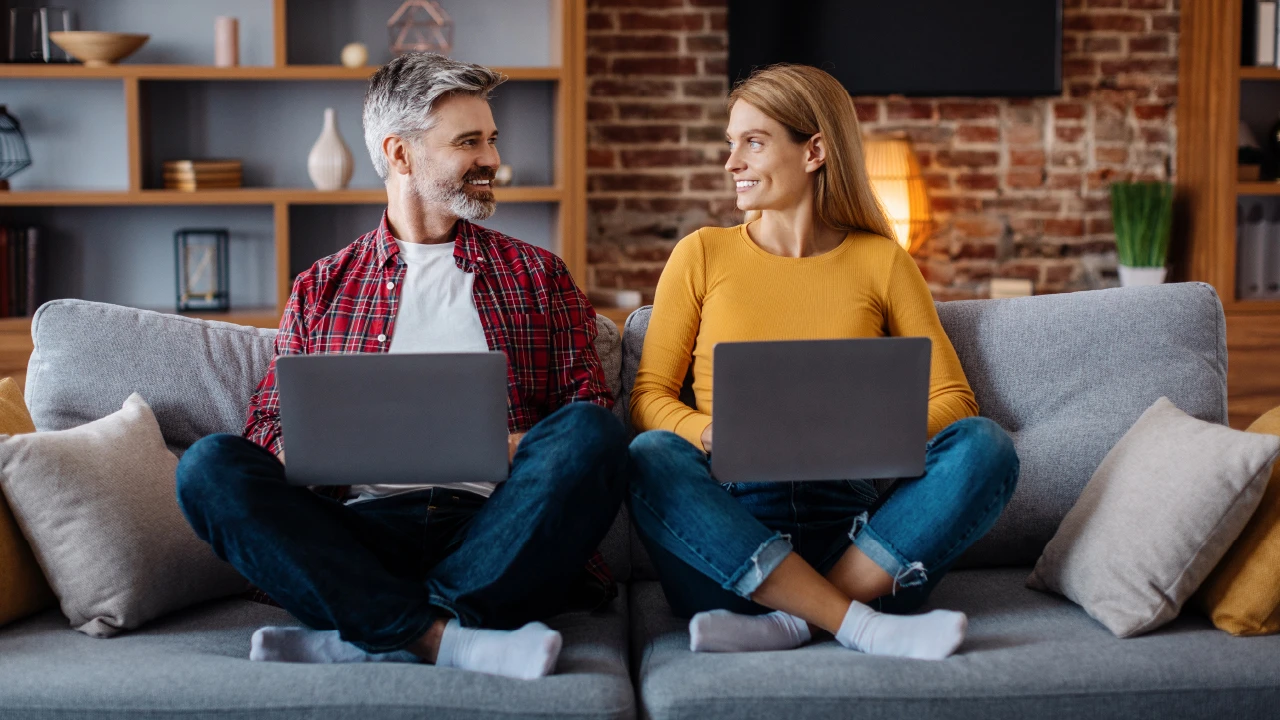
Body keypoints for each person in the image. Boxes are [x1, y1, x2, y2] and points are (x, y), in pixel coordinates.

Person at [174, 53, 628, 680]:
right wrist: (322, 451)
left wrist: (499, 447)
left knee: (596, 438)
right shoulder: (322, 287)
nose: (492, 159)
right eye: (469, 142)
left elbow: (589, 415)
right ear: (400, 154)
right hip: (362, 534)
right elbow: (269, 428)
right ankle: (448, 636)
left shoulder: (537, 276)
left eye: (492, 140)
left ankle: (373, 630)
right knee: (208, 468)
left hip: (496, 531)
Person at [627, 64, 1020, 661]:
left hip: (858, 541)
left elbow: (955, 402)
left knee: (985, 446)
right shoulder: (701, 254)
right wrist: (710, 432)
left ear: (813, 150)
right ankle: (856, 623)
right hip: (729, 542)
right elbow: (648, 397)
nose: (731, 162)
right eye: (729, 144)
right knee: (648, 456)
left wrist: (867, 437)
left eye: (752, 143)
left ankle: (796, 621)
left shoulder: (881, 261)